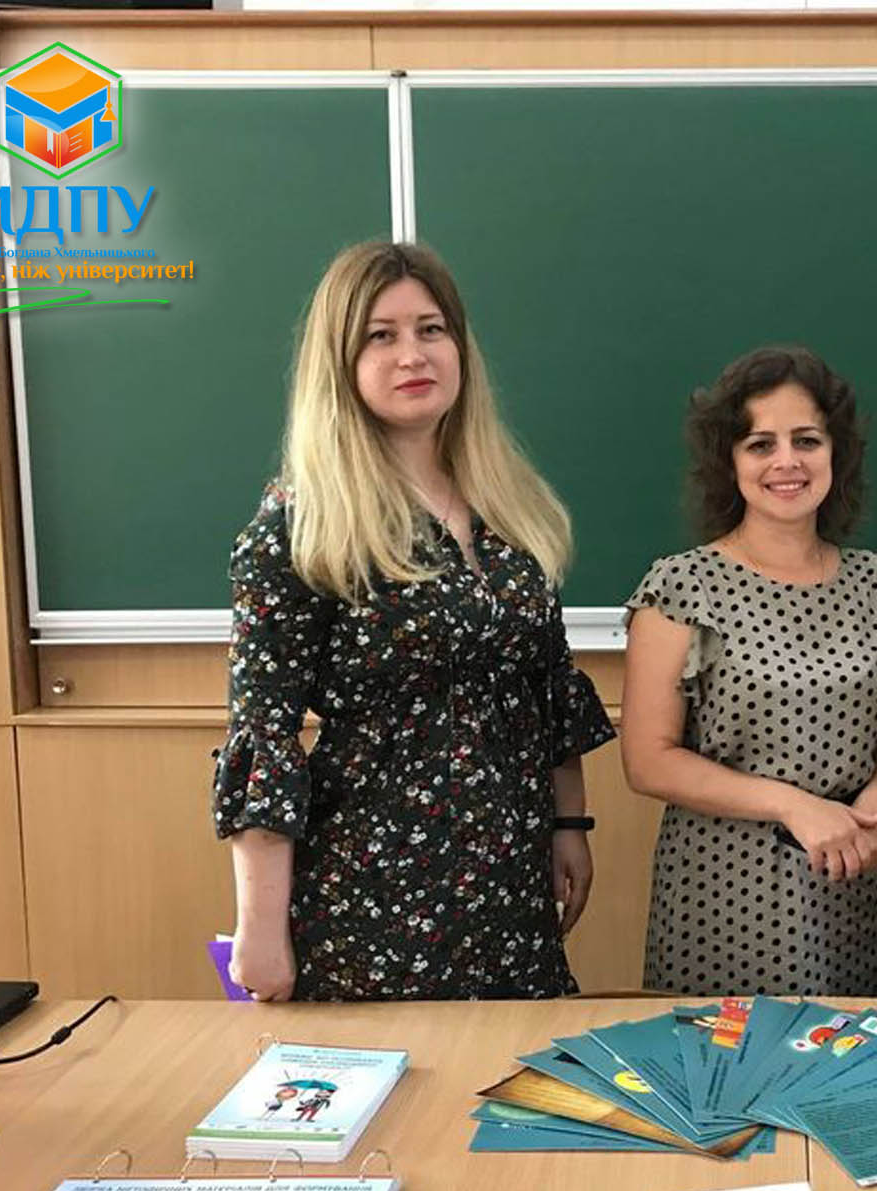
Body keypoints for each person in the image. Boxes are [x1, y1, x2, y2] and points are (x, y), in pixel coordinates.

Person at [211, 240, 615, 1002]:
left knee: (512, 1074)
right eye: (381, 336)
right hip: (371, 905)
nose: (412, 355)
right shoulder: (301, 524)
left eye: (431, 329)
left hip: (511, 897)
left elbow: (548, 688)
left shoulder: (508, 505)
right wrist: (260, 931)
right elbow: (263, 733)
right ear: (341, 361)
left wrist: (571, 826)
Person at [621, 346, 877, 996]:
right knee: (722, 1056)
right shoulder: (683, 587)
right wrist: (794, 806)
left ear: (836, 453)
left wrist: (875, 807)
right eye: (760, 444)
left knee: (841, 1053)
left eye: (807, 440)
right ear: (728, 461)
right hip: (724, 894)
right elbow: (648, 760)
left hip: (847, 881)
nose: (787, 461)